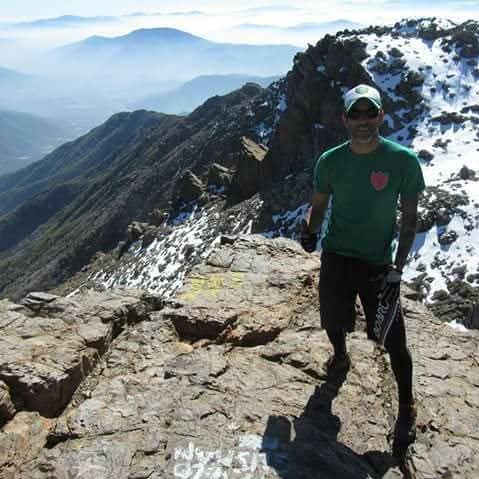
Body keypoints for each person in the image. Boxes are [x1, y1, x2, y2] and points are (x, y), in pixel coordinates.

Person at [300, 84, 425, 451]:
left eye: (370, 113)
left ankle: (407, 407)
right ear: (344, 119)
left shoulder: (403, 161)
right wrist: (310, 231)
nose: (363, 120)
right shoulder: (330, 161)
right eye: (355, 113)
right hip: (337, 254)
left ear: (381, 116)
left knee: (394, 340)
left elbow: (409, 221)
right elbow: (319, 205)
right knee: (332, 319)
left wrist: (397, 269)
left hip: (377, 262)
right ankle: (341, 357)